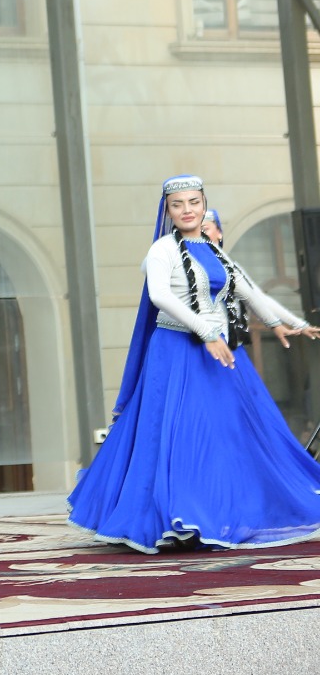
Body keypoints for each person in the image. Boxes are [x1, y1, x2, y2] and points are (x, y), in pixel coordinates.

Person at [69, 174, 320, 552]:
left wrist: (285, 323)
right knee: (178, 434)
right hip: (176, 352)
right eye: (178, 204)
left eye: (193, 202)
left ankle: (217, 510)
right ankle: (175, 516)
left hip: (219, 353)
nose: (187, 210)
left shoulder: (214, 251)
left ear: (204, 204)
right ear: (168, 211)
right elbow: (160, 296)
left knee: (226, 433)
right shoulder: (162, 250)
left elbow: (249, 291)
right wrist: (206, 332)